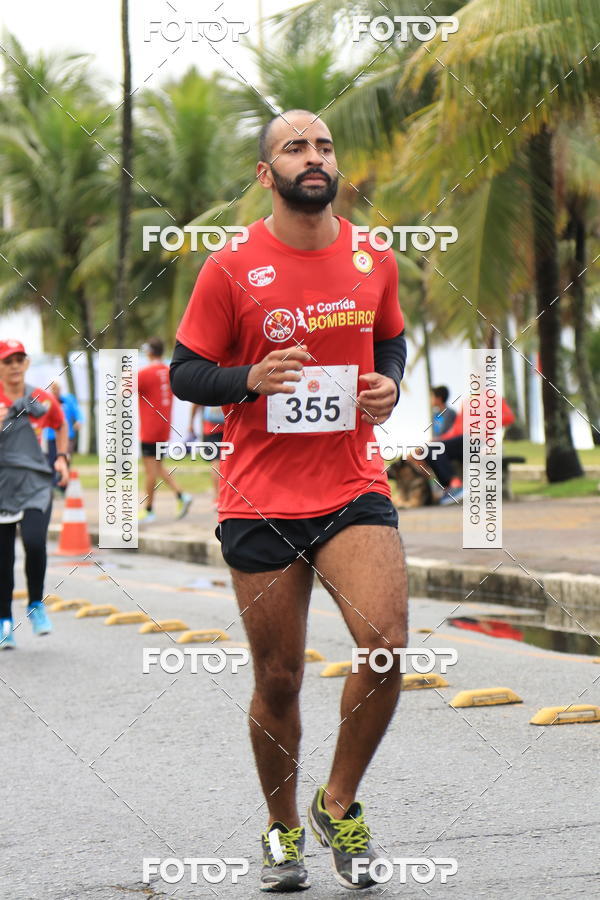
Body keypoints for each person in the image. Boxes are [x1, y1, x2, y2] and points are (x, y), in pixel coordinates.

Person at [171, 110, 408, 892]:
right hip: (259, 495)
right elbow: (186, 372)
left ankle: (336, 803)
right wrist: (250, 379)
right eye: (294, 147)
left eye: (324, 145)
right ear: (266, 174)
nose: (314, 156)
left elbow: (391, 337)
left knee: (386, 643)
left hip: (350, 484)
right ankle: (279, 832)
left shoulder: (374, 257)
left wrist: (390, 382)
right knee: (279, 678)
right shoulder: (231, 267)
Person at [0, 340, 69, 649]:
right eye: (7, 360)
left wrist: (61, 457)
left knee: (34, 542)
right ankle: (3, 621)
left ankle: (35, 605)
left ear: (26, 363)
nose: (14, 365)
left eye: (19, 359)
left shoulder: (40, 397)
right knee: (3, 558)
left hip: (36, 484)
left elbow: (61, 424)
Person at [137, 337, 192, 523]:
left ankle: (149, 509)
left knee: (150, 471)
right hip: (163, 427)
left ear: (150, 352)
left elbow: (122, 392)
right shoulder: (169, 371)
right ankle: (181, 495)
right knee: (158, 467)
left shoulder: (144, 373)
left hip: (149, 429)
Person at [423, 395, 515, 504]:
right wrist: (438, 440)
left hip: (480, 442)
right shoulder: (466, 403)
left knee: (435, 448)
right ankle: (454, 485)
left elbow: (509, 417)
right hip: (463, 441)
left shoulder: (495, 399)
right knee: (430, 449)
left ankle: (455, 487)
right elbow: (456, 429)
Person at [45, 381, 83, 485]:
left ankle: (64, 484)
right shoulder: (47, 401)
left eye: (57, 388)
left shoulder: (68, 400)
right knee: (52, 460)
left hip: (67, 436)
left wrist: (79, 421)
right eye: (53, 388)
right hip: (51, 436)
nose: (55, 390)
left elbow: (78, 412)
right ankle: (53, 484)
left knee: (66, 458)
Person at [187, 403, 225, 505]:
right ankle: (226, 495)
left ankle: (217, 497)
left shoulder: (207, 386)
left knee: (215, 462)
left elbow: (195, 404)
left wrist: (191, 423)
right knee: (227, 461)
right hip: (228, 426)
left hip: (211, 428)